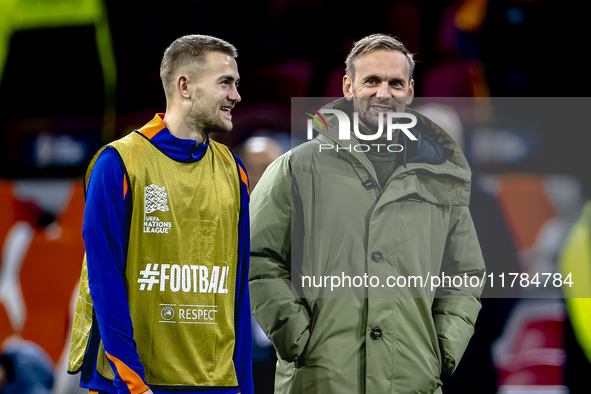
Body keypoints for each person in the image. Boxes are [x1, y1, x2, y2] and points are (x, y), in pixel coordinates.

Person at [249, 34, 486, 394]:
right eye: (371, 81)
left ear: (409, 91)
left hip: (412, 382)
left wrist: (440, 349)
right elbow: (257, 256)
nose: (383, 93)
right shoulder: (296, 168)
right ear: (348, 86)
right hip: (319, 381)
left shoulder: (439, 177)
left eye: (395, 83)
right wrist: (296, 338)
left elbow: (465, 272)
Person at [67, 35, 253, 394]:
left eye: (237, 84)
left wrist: (244, 387)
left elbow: (238, 295)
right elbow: (105, 286)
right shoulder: (118, 163)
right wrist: (134, 386)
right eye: (225, 83)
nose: (236, 96)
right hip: (134, 386)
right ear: (184, 85)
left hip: (217, 385)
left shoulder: (235, 172)